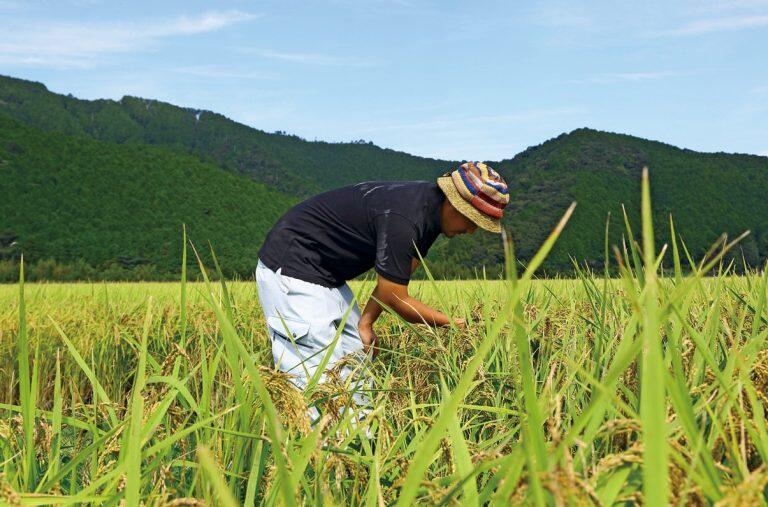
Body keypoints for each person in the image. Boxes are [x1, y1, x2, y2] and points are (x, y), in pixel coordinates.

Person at [254, 162, 509, 416]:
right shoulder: (405, 218)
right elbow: (396, 298)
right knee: (316, 381)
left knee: (357, 363)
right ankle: (319, 447)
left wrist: (366, 322)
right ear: (453, 204)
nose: (472, 230)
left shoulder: (430, 216)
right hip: (291, 268)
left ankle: (360, 441)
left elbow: (393, 279)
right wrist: (452, 323)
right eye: (472, 220)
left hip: (328, 276)